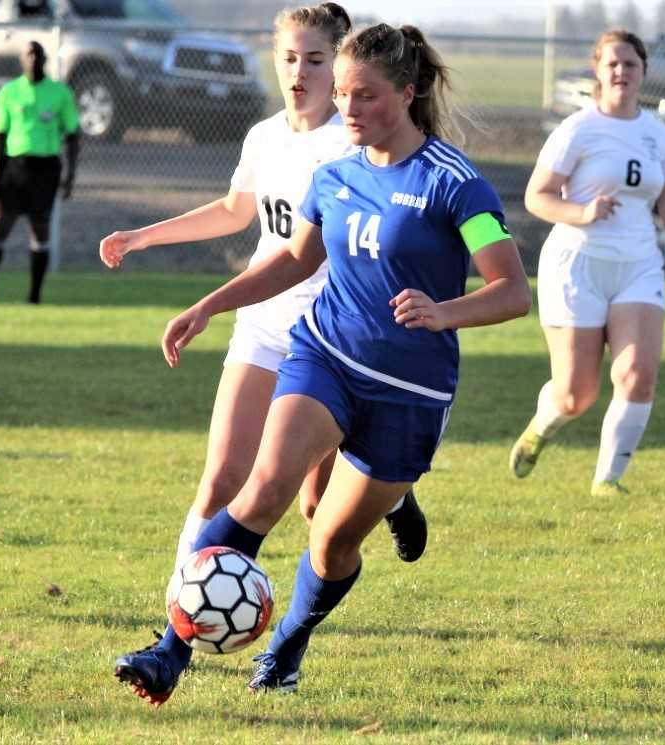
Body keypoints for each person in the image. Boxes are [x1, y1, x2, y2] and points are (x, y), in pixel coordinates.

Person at [112, 22, 531, 706]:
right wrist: (210, 305)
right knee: (260, 491)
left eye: (365, 96)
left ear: (407, 90)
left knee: (332, 542)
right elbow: (294, 259)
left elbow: (511, 289)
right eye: (342, 95)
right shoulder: (333, 175)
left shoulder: (457, 184)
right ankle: (168, 650)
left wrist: (443, 311)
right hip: (325, 358)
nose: (349, 110)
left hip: (410, 392)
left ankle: (287, 647)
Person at [99, 3, 429, 577]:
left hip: (332, 340)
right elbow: (234, 211)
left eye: (316, 59)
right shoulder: (263, 137)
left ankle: (393, 494)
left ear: (340, 65)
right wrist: (143, 237)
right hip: (264, 324)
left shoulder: (353, 147)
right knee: (222, 479)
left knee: (313, 507)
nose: (300, 72)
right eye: (288, 58)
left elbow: (316, 254)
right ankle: (183, 615)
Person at [508, 29, 665, 497]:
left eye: (631, 64)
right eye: (612, 64)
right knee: (576, 395)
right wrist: (583, 212)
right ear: (598, 71)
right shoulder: (579, 128)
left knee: (637, 375)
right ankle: (542, 424)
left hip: (638, 265)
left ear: (643, 72)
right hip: (577, 266)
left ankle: (608, 482)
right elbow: (536, 197)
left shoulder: (658, 134)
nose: (621, 71)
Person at [0, 40, 79, 305]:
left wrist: (70, 177)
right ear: (22, 59)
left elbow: (73, 135)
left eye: (38, 54)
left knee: (40, 228)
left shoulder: (60, 93)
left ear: (45, 59)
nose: (33, 59)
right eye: (28, 54)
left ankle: (34, 297)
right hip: (15, 166)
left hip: (46, 168)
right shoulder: (9, 92)